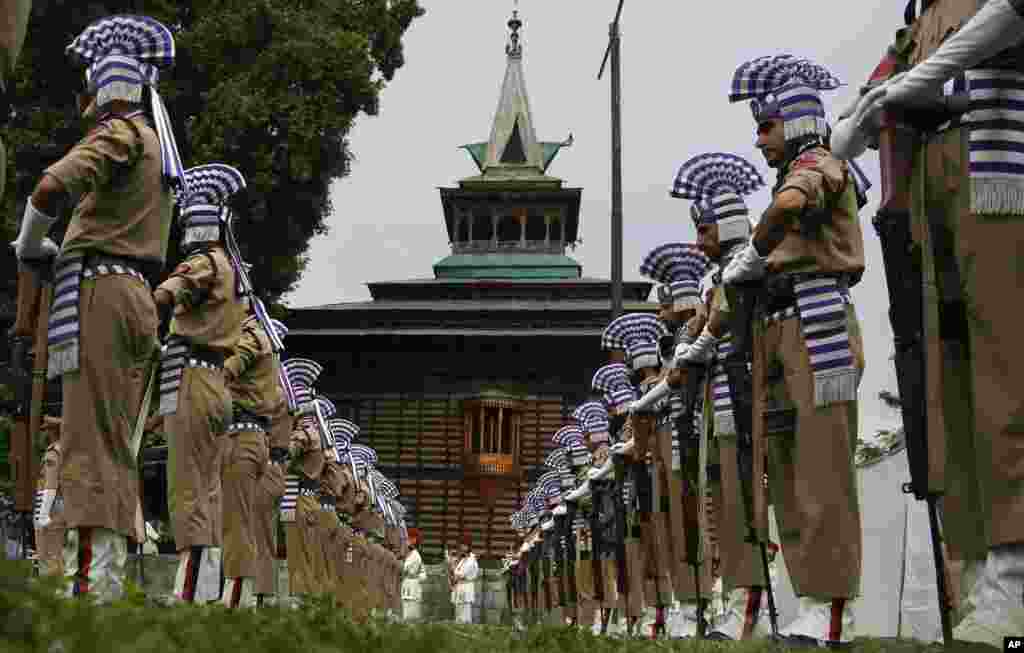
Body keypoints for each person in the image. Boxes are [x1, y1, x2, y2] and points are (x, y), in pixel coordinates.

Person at [831, 1, 1024, 645]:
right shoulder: (918, 18)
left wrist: (909, 84)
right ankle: (980, 577)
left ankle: (1015, 577)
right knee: (949, 387)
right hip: (930, 191)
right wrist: (870, 104)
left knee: (1006, 373)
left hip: (999, 168)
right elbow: (844, 138)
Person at [10, 14, 184, 603]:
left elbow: (49, 187)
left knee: (88, 444)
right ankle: (100, 584)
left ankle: (91, 592)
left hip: (103, 293)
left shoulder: (122, 135)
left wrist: (31, 243)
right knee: (109, 443)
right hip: (128, 293)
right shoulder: (155, 145)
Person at [715, 54, 866, 648]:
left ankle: (831, 607)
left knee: (822, 469)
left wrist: (753, 251)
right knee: (789, 473)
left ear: (796, 121)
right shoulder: (797, 168)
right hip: (778, 327)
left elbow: (787, 208)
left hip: (816, 321)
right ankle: (809, 597)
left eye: (765, 126)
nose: (758, 140)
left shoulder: (819, 161)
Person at [669, 151, 776, 641]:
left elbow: (727, 329)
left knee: (743, 500)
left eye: (705, 230)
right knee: (725, 504)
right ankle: (734, 598)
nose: (698, 241)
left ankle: (746, 599)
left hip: (745, 393)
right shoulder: (720, 283)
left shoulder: (750, 269)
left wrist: (697, 342)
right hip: (721, 402)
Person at [155, 163, 248, 603]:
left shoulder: (203, 262)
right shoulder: (231, 268)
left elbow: (167, 294)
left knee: (188, 487)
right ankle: (204, 585)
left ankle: (190, 589)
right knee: (206, 489)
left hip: (192, 376)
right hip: (214, 381)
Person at [33, 416, 64, 578]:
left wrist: (43, 515)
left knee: (48, 554)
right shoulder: (66, 450)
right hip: (58, 505)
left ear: (53, 432)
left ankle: (52, 595)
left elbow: (51, 484)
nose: (43, 433)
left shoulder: (53, 453)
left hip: (49, 506)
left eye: (46, 430)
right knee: (56, 554)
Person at [451, 535, 480, 624]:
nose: (461, 547)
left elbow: (461, 574)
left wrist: (452, 565)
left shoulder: (471, 560)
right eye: (461, 545)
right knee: (458, 614)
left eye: (464, 545)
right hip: (459, 587)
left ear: (468, 546)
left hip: (466, 587)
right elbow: (456, 573)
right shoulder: (463, 559)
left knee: (465, 614)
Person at [401, 528, 427, 622]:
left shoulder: (415, 555)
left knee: (410, 615)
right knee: (406, 612)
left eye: (408, 538)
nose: (406, 541)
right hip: (408, 584)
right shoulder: (409, 554)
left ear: (414, 540)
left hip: (412, 586)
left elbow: (403, 569)